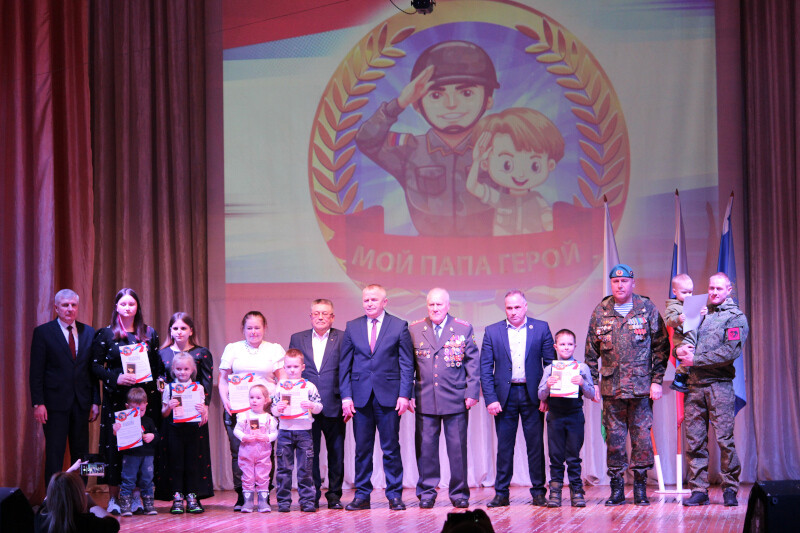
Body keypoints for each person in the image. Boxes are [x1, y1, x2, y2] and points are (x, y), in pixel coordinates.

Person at [355, 40, 499, 236]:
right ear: (417, 105)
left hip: (490, 249)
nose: (451, 104)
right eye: (436, 95)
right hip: (427, 251)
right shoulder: (408, 150)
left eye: (466, 93)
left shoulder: (500, 148)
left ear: (488, 100)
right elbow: (366, 140)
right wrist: (399, 103)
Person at [585, 264, 670, 506]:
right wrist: (592, 384)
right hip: (612, 389)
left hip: (641, 388)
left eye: (624, 281)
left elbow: (661, 348)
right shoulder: (601, 311)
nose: (620, 285)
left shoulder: (647, 308)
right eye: (615, 281)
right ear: (611, 284)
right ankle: (617, 488)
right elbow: (590, 353)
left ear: (633, 283)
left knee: (642, 438)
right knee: (614, 440)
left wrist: (657, 381)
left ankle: (640, 487)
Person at [339, 284, 414, 511]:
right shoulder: (352, 326)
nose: (369, 303)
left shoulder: (399, 325)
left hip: (389, 397)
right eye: (366, 300)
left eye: (374, 299)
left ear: (384, 302)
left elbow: (406, 363)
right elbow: (345, 365)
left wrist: (404, 394)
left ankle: (394, 495)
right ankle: (362, 495)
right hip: (360, 398)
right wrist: (346, 397)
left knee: (390, 449)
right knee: (362, 450)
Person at [677, 273, 748, 507]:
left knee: (725, 440)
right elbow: (685, 338)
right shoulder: (701, 313)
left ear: (729, 290)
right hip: (694, 387)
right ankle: (698, 490)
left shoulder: (735, 318)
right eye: (711, 288)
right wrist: (680, 351)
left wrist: (695, 360)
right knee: (694, 442)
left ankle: (730, 488)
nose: (714, 292)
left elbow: (730, 352)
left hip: (719, 385)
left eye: (719, 288)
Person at [91, 288, 164, 515]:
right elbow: (94, 366)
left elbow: (157, 366)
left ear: (137, 307)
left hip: (143, 400)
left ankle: (135, 498)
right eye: (123, 304)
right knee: (115, 448)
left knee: (140, 447)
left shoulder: (149, 333)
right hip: (116, 399)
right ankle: (114, 498)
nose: (127, 307)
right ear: (116, 307)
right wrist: (116, 378)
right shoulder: (106, 334)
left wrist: (160, 390)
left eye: (131, 304)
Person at [479, 289, 555, 507]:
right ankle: (501, 493)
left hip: (533, 395)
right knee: (504, 447)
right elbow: (485, 368)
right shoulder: (492, 331)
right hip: (505, 396)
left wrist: (546, 396)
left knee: (535, 446)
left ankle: (539, 492)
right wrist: (490, 399)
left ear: (525, 306)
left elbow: (550, 365)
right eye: (509, 308)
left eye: (517, 307)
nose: (513, 312)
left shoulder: (541, 328)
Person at [409, 288, 479, 509]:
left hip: (455, 399)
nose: (435, 308)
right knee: (426, 450)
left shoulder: (463, 328)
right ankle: (427, 492)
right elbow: (408, 365)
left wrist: (472, 392)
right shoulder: (415, 329)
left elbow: (473, 363)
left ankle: (459, 493)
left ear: (448, 306)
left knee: (457, 451)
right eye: (431, 304)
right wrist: (408, 394)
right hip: (425, 398)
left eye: (439, 304)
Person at [30, 289, 100, 486]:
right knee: (55, 454)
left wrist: (96, 401)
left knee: (82, 454)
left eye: (73, 305)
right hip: (54, 405)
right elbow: (36, 372)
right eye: (65, 305)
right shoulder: (43, 333)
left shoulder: (89, 332)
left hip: (82, 403)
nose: (70, 309)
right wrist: (38, 403)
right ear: (56, 308)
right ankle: (53, 499)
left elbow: (93, 371)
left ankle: (81, 495)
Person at [218, 311, 285, 511]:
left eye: (257, 327)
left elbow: (282, 379)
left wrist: (274, 401)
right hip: (238, 410)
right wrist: (225, 400)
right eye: (249, 328)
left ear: (264, 328)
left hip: (265, 411)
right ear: (243, 329)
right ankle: (243, 496)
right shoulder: (233, 348)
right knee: (239, 453)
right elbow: (223, 379)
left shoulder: (274, 349)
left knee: (265, 452)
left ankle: (264, 495)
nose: (253, 332)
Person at [466, 108, 565, 235]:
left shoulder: (537, 199)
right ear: (486, 164)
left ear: (550, 165)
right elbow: (472, 187)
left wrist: (550, 224)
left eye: (534, 166)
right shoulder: (499, 198)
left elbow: (548, 219)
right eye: (507, 165)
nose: (521, 174)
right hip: (504, 246)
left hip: (532, 245)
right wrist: (476, 161)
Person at [288, 299, 346, 509]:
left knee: (336, 453)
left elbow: (347, 370)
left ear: (332, 317)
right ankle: (311, 495)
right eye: (316, 313)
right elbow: (292, 373)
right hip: (306, 408)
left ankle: (334, 495)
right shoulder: (297, 338)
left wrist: (347, 399)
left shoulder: (343, 337)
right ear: (310, 316)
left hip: (335, 403)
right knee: (308, 454)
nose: (320, 317)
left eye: (325, 313)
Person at [155, 312, 214, 503]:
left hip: (194, 414)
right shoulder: (162, 353)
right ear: (170, 331)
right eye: (175, 328)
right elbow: (160, 378)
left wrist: (205, 407)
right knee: (174, 457)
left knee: (194, 457)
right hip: (172, 415)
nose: (179, 332)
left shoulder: (202, 352)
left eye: (183, 328)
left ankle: (194, 495)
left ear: (191, 331)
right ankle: (176, 495)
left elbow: (206, 382)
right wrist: (162, 388)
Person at [537, 329, 594, 507]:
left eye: (570, 344)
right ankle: (555, 492)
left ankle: (577, 491)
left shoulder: (582, 368)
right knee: (555, 456)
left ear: (575, 346)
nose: (566, 347)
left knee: (573, 456)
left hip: (575, 415)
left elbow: (591, 393)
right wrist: (548, 386)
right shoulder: (550, 369)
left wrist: (582, 383)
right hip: (555, 417)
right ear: (556, 347)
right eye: (562, 344)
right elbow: (540, 395)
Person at [272, 349, 324, 513]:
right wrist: (278, 408)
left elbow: (319, 407)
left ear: (302, 367)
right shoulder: (280, 387)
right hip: (285, 432)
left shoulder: (309, 386)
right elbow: (273, 410)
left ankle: (307, 501)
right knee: (284, 470)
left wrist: (312, 405)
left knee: (305, 470)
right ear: (284, 368)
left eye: (295, 366)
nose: (292, 370)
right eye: (289, 367)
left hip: (304, 433)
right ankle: (283, 502)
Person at [161, 352, 208, 514]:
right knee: (176, 464)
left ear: (192, 369)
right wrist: (169, 407)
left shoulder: (198, 388)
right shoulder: (169, 388)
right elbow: (164, 413)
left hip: (192, 431)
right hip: (175, 430)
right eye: (179, 369)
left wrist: (202, 410)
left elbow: (202, 411)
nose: (182, 372)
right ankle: (177, 498)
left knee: (192, 464)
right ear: (173, 370)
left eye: (186, 369)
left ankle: (192, 497)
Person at [112, 387, 158, 517]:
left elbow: (157, 435)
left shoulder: (148, 421)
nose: (138, 413)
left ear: (146, 405)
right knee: (128, 479)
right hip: (130, 455)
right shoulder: (123, 420)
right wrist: (115, 430)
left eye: (141, 410)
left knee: (147, 479)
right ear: (127, 406)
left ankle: (149, 505)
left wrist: (152, 436)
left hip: (147, 456)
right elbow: (116, 436)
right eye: (134, 410)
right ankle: (125, 505)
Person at [234, 384, 278, 513]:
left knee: (263, 476)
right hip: (246, 453)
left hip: (263, 454)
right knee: (247, 477)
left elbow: (275, 433)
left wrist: (267, 437)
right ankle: (248, 502)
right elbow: (236, 430)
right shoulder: (243, 416)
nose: (254, 400)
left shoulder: (269, 418)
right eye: (251, 397)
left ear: (266, 400)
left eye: (258, 398)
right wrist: (244, 437)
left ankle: (263, 502)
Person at [37, 465, 119, 533]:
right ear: (79, 495)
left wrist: (69, 472)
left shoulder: (41, 517)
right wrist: (92, 505)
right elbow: (114, 525)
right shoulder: (86, 522)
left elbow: (50, 495)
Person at [665, 274, 706, 392]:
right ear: (675, 291)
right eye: (684, 292)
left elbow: (699, 321)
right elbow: (669, 321)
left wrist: (703, 313)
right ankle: (679, 377)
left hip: (694, 337)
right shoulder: (672, 307)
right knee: (688, 354)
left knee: (694, 357)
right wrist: (678, 319)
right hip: (683, 339)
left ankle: (685, 378)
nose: (688, 295)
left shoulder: (693, 303)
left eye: (690, 292)